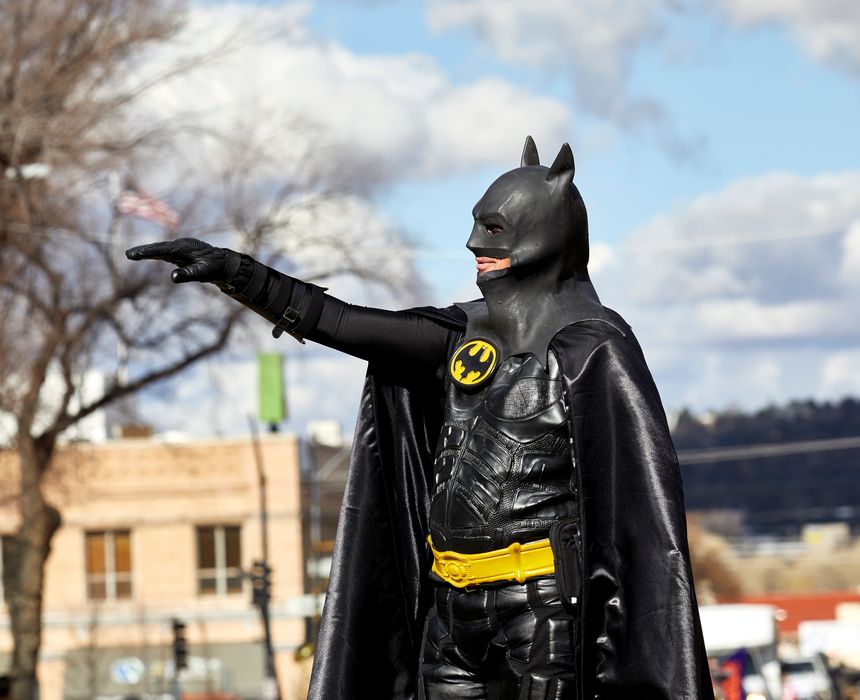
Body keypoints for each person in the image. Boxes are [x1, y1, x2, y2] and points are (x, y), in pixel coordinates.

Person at [127, 137, 714, 699]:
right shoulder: (461, 332)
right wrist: (237, 271)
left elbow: (637, 520)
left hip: (540, 615)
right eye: (478, 224)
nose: (470, 243)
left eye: (493, 229)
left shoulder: (594, 348)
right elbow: (343, 323)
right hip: (449, 613)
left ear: (549, 230)